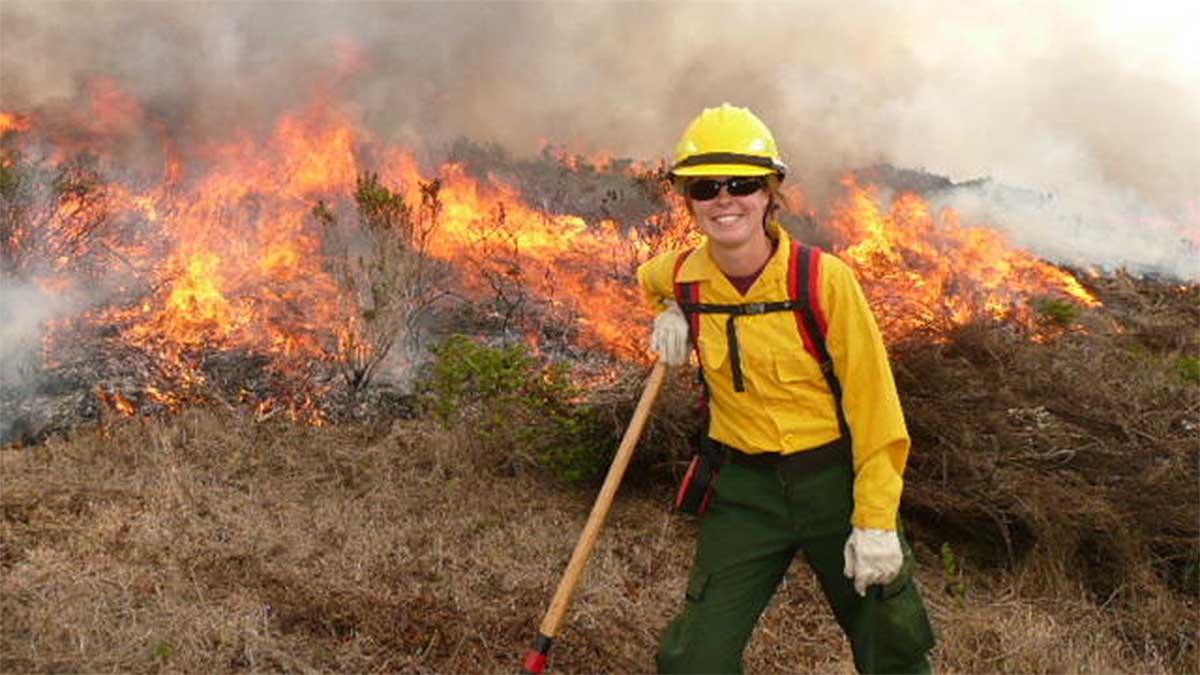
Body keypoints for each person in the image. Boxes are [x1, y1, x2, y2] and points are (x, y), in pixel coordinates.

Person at [638, 103, 935, 674]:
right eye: (705, 187)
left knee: (892, 651)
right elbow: (647, 280)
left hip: (835, 484)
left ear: (770, 192)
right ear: (688, 200)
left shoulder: (821, 280)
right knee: (694, 660)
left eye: (743, 183)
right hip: (746, 492)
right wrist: (668, 308)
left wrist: (874, 521)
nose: (725, 199)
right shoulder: (680, 275)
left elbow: (876, 411)